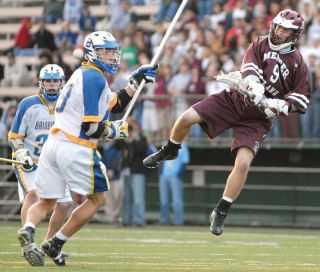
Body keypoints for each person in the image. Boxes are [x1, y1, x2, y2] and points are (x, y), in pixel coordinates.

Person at [144, 9, 311, 235]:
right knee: (186, 118)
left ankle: (221, 210)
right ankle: (170, 148)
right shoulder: (260, 43)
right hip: (234, 100)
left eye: (285, 29)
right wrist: (253, 85)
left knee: (242, 164)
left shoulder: (298, 64)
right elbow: (250, 68)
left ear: (295, 34)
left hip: (257, 118)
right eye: (278, 26)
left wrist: (280, 106)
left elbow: (301, 97)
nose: (279, 31)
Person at [17, 30, 158, 267]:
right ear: (92, 52)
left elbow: (114, 104)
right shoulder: (94, 78)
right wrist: (115, 131)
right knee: (98, 199)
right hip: (76, 147)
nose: (111, 56)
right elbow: (92, 128)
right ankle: (55, 242)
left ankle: (29, 229)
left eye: (113, 51)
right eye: (105, 51)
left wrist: (135, 83)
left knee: (46, 201)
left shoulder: (84, 74)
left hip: (54, 145)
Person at [8, 64, 73, 265]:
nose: (52, 85)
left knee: (64, 204)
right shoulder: (29, 104)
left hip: (56, 163)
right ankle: (28, 244)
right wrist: (21, 151)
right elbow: (14, 136)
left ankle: (48, 243)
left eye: (55, 81)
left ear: (62, 82)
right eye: (48, 81)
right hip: (30, 162)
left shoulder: (69, 105)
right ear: (41, 82)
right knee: (34, 194)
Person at [159, 143, 190, 225]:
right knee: (164, 201)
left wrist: (178, 174)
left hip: (175, 177)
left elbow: (185, 162)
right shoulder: (166, 145)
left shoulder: (183, 147)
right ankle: (163, 221)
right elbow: (161, 159)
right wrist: (161, 173)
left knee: (176, 201)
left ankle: (179, 221)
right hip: (164, 176)